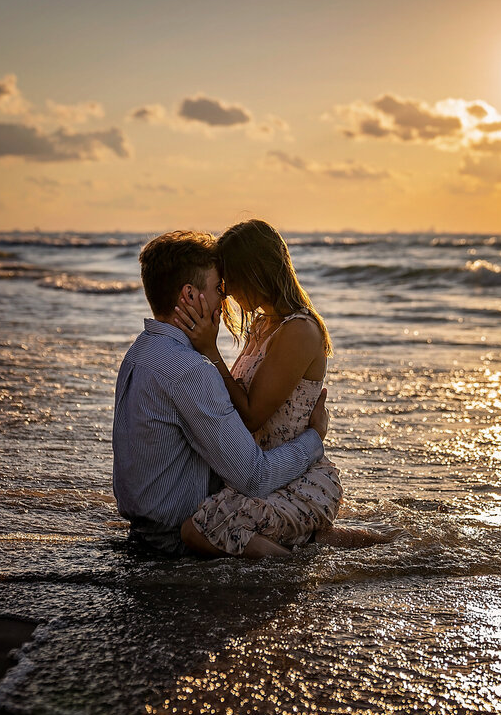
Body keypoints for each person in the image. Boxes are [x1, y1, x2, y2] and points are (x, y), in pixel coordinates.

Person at [112, 229, 330, 558]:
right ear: (189, 295)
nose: (224, 297)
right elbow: (255, 477)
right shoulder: (188, 369)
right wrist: (315, 436)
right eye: (218, 288)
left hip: (145, 530)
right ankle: (296, 572)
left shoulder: (140, 353)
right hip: (175, 541)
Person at [171, 219, 349, 558]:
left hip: (296, 480)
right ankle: (309, 546)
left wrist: (211, 352)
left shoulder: (299, 331)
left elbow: (251, 415)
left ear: (255, 272)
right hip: (260, 474)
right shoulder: (262, 325)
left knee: (198, 530)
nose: (226, 289)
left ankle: (295, 572)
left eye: (231, 278)